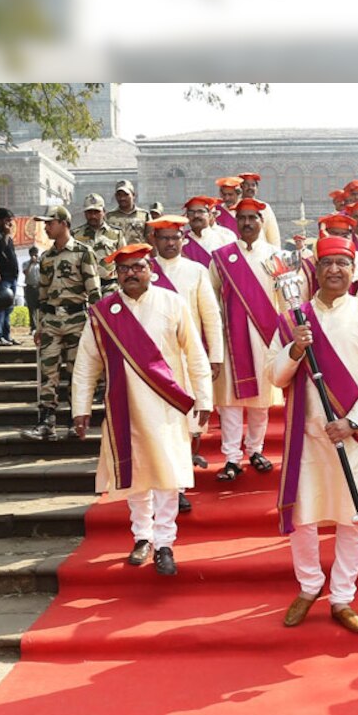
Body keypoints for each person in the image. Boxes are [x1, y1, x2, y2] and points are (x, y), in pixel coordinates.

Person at [265, 236, 358, 634]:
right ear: (316, 269)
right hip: (306, 435)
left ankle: (342, 596)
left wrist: (353, 422)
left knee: (354, 516)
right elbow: (273, 375)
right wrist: (293, 351)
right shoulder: (294, 319)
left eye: (342, 263)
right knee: (303, 516)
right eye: (327, 263)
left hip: (351, 435)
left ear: (352, 269)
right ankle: (309, 586)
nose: (335, 270)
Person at [71, 244, 213, 575]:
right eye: (125, 269)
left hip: (166, 407)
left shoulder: (172, 302)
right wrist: (80, 407)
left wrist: (204, 398)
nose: (132, 274)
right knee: (133, 477)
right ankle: (141, 536)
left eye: (138, 267)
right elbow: (86, 363)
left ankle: (165, 543)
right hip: (124, 408)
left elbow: (194, 354)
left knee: (166, 477)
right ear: (116, 275)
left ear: (150, 269)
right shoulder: (103, 312)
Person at [208, 197, 296, 481]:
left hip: (265, 338)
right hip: (231, 340)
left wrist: (288, 338)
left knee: (261, 400)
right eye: (242, 218)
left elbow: (286, 303)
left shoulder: (277, 256)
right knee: (231, 402)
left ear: (262, 221)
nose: (247, 223)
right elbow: (212, 301)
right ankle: (232, 457)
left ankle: (256, 450)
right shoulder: (220, 257)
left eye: (252, 218)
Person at [146, 214, 225, 501]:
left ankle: (178, 485)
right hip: (152, 361)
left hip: (187, 357)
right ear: (153, 240)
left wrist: (215, 355)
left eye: (174, 237)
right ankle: (164, 484)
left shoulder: (196, 271)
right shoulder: (145, 270)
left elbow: (211, 316)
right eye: (163, 237)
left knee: (189, 422)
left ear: (184, 239)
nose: (169, 242)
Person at [24, 205, 100, 441]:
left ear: (63, 223)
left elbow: (94, 291)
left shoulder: (83, 252)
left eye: (50, 223)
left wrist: (97, 326)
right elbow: (42, 296)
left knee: (76, 371)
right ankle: (46, 422)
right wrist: (39, 325)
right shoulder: (46, 258)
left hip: (78, 319)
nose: (46, 227)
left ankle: (75, 419)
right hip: (51, 321)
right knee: (48, 372)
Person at [73, 193, 127, 293]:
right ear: (84, 213)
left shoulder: (116, 234)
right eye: (89, 212)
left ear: (104, 212)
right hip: (84, 290)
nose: (93, 216)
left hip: (110, 288)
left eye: (96, 212)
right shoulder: (75, 235)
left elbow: (124, 261)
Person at [0, 207, 20, 346]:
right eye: (7, 221)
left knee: (9, 307)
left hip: (12, 276)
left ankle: (6, 335)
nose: (10, 224)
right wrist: (7, 236)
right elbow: (0, 253)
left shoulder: (6, 236)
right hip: (2, 277)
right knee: (0, 306)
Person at [181, 195, 235, 267]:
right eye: (191, 212)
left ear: (209, 215)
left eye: (200, 211)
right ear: (187, 217)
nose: (196, 215)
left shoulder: (225, 239)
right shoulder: (181, 241)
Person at [239, 172, 282, 247]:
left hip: (260, 251)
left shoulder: (265, 208)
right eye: (247, 185)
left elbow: (273, 236)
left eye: (253, 185)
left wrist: (275, 254)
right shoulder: (235, 207)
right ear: (241, 187)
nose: (250, 188)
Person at [104, 180, 150, 245]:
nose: (122, 198)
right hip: (117, 254)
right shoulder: (108, 217)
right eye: (119, 195)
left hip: (138, 254)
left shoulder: (145, 215)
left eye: (126, 195)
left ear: (133, 195)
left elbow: (151, 239)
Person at [22, 245, 41, 329]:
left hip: (40, 288)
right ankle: (33, 327)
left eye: (36, 254)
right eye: (33, 254)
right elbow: (26, 273)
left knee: (42, 308)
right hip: (30, 287)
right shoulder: (26, 263)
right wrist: (31, 263)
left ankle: (42, 326)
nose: (35, 256)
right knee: (31, 308)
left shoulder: (41, 263)